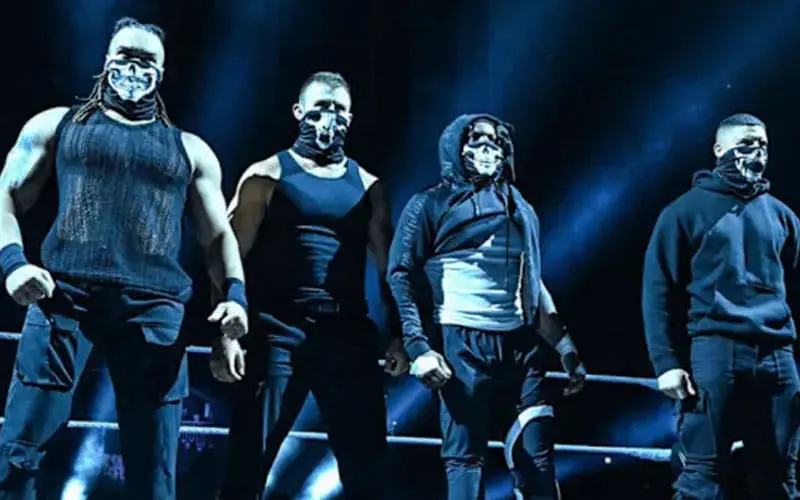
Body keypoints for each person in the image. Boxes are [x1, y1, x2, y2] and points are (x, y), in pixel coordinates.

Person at [0, 17, 247, 500]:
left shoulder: (190, 151)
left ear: (162, 71)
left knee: (154, 473)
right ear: (106, 61)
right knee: (18, 455)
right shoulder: (57, 125)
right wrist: (13, 263)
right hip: (64, 297)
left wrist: (234, 302)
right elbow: (5, 195)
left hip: (154, 310)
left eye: (146, 60)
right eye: (125, 56)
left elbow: (219, 236)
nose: (134, 68)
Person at [214, 71, 408, 500]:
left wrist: (400, 334)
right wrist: (225, 333)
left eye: (339, 110)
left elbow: (389, 267)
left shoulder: (369, 186)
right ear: (299, 111)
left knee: (368, 469)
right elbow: (228, 256)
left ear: (350, 119)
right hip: (279, 332)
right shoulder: (266, 174)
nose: (329, 117)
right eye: (320, 107)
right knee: (248, 462)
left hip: (347, 334)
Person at [387, 114, 586, 500]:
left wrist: (565, 346)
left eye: (494, 140)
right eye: (476, 138)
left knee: (537, 459)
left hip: (520, 347)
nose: (487, 147)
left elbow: (532, 281)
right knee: (465, 460)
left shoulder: (519, 207)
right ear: (456, 145)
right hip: (461, 347)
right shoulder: (429, 204)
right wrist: (418, 346)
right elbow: (401, 275)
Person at [642, 113, 800, 499]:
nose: (757, 153)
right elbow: (658, 290)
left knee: (780, 475)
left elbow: (792, 284)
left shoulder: (783, 216)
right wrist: (666, 362)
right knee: (702, 476)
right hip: (716, 351)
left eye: (762, 145)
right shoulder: (683, 212)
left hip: (778, 355)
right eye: (746, 144)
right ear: (719, 149)